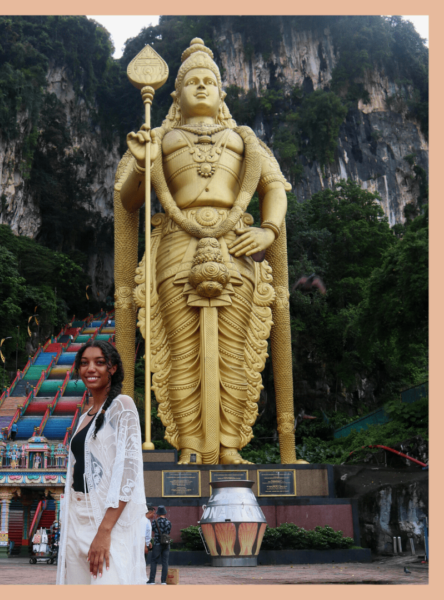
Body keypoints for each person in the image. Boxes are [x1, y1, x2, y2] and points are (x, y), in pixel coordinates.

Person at [115, 38, 304, 465]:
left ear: (221, 94)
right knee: (181, 349)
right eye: (192, 82)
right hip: (176, 245)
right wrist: (144, 162)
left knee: (236, 348)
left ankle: (232, 446)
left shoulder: (245, 141)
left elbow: (273, 187)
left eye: (209, 81)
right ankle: (187, 445)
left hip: (237, 242)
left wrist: (269, 231)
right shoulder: (159, 136)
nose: (201, 87)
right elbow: (127, 201)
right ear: (177, 95)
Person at [56, 339, 147, 585]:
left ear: (113, 368)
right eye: (84, 363)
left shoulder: (122, 407)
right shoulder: (85, 416)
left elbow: (128, 472)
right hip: (76, 517)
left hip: (107, 520)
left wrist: (105, 531)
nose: (90, 369)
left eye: (99, 362)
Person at [147, 506, 172, 585]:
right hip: (166, 544)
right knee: (165, 562)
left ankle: (152, 580)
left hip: (157, 543)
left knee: (154, 561)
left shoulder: (155, 522)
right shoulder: (168, 522)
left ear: (157, 513)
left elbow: (153, 530)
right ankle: (163, 581)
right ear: (165, 513)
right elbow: (168, 532)